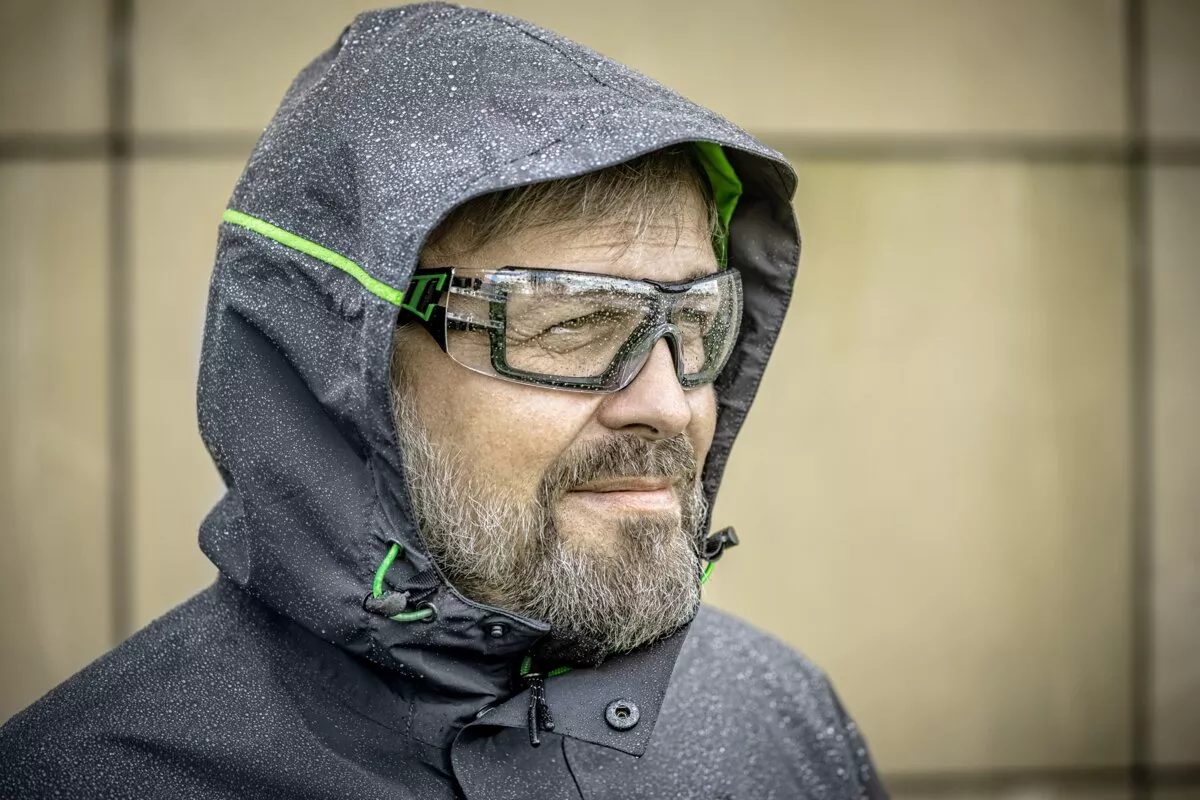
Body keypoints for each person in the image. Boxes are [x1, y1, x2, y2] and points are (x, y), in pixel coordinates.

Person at [0, 4, 887, 798]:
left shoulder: (779, 718)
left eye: (692, 322)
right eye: (573, 324)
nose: (670, 404)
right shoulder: (83, 777)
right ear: (344, 367)